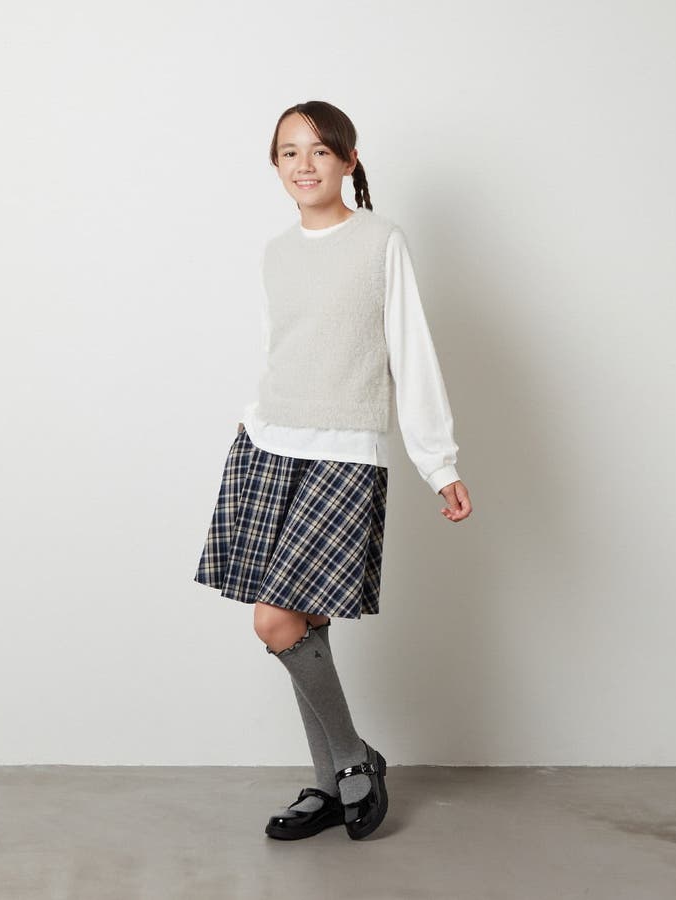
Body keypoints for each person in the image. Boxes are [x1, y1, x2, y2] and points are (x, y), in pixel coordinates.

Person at [193, 100, 472, 841]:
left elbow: (411, 351)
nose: (304, 164)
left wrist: (437, 460)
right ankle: (329, 785)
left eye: (320, 150)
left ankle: (353, 762)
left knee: (275, 620)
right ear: (275, 165)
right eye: (289, 152)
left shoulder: (380, 241)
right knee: (304, 622)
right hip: (268, 443)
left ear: (349, 161)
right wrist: (254, 413)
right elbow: (281, 346)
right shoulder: (275, 253)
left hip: (343, 451)